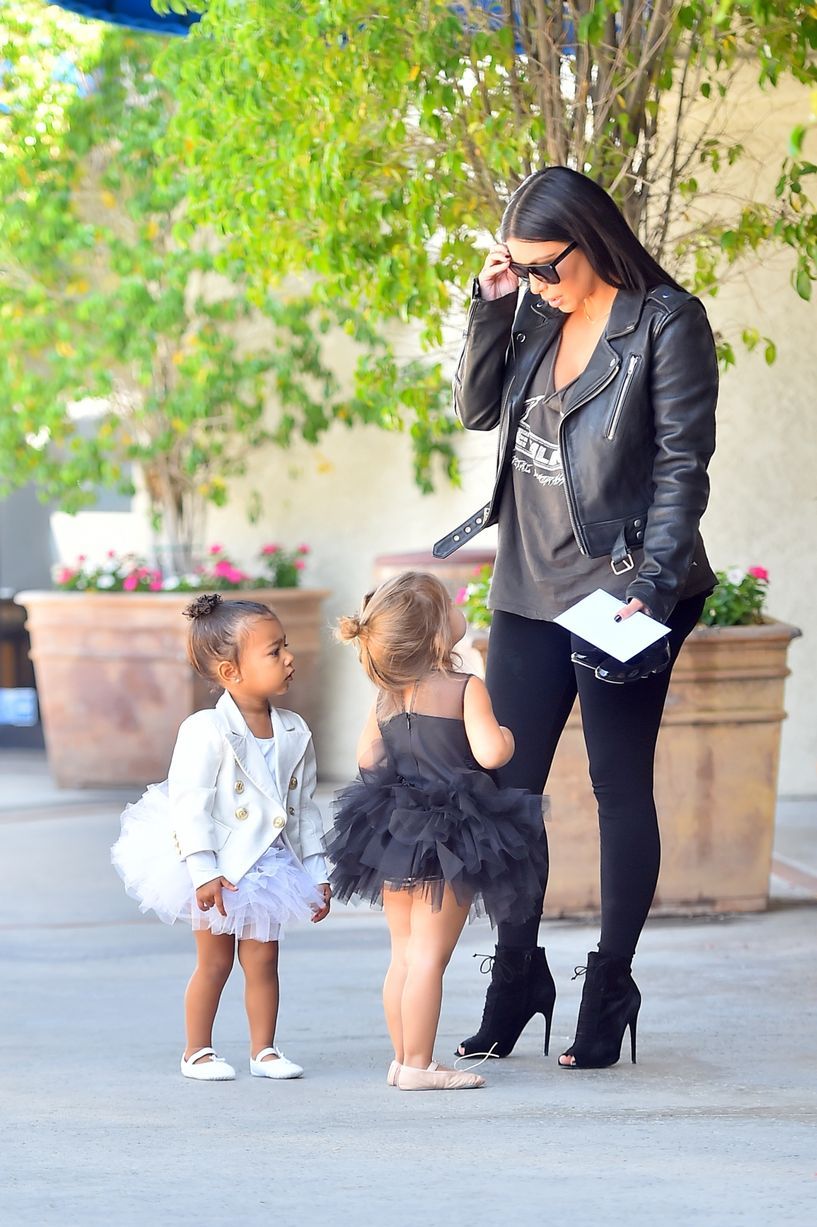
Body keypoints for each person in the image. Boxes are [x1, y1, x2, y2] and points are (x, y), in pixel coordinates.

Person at [433, 166, 718, 1069]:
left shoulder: (667, 323)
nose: (537, 281)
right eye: (519, 267)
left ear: (590, 238)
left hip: (622, 585)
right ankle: (518, 976)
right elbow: (478, 411)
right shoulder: (535, 314)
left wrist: (654, 584)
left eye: (543, 265)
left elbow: (681, 467)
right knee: (503, 787)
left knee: (614, 784)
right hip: (525, 582)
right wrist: (491, 306)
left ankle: (610, 984)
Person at [325, 571, 549, 1091]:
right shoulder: (464, 687)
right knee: (431, 954)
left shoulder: (386, 696)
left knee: (403, 952)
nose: (457, 607)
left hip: (395, 832)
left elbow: (366, 760)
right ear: (434, 635)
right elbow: (491, 752)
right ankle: (420, 1066)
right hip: (452, 836)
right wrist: (510, 738)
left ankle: (403, 1058)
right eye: (449, 604)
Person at [112, 593, 331, 1081]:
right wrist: (204, 870)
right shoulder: (205, 729)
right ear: (230, 673)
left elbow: (302, 811)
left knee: (264, 961)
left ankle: (265, 1050)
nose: (289, 658)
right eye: (274, 652)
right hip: (219, 865)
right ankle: (198, 1050)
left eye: (285, 646)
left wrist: (316, 871)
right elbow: (188, 804)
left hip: (269, 866)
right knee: (214, 962)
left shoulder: (294, 730)